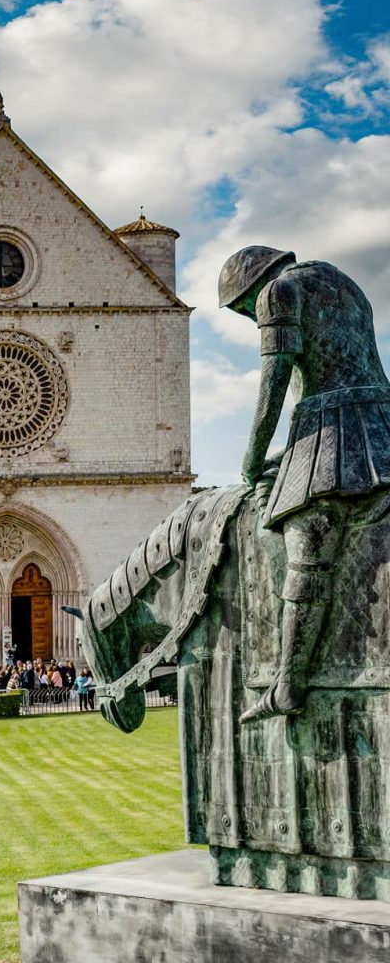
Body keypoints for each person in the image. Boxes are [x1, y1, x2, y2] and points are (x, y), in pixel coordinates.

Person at [219, 246, 390, 723]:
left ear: (251, 288)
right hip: (377, 421)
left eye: (241, 310)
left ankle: (288, 684)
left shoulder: (278, 293)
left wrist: (252, 460)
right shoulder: (342, 282)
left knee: (308, 542)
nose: (248, 317)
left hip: (337, 426)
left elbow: (273, 385)